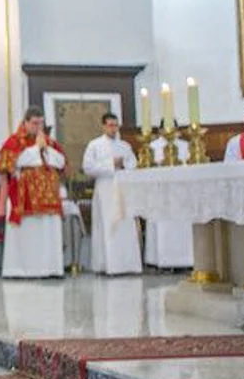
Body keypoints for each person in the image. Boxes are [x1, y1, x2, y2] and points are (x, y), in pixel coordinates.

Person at [0, 107, 67, 279]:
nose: (38, 127)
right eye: (34, 123)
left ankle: (50, 269)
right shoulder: (14, 141)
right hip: (23, 195)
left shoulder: (48, 142)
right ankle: (22, 270)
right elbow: (11, 163)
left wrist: (46, 150)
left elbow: (61, 162)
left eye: (41, 123)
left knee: (48, 232)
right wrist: (36, 149)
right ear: (26, 122)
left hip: (49, 196)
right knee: (27, 236)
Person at [82, 114, 142, 276]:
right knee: (107, 225)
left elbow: (133, 165)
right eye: (110, 125)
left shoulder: (125, 146)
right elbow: (88, 167)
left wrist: (123, 166)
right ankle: (107, 265)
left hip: (123, 189)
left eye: (115, 125)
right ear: (103, 126)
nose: (113, 128)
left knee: (125, 225)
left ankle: (128, 264)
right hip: (104, 189)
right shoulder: (95, 145)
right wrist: (111, 164)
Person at [145, 128, 195, 270]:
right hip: (160, 193)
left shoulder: (185, 145)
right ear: (161, 130)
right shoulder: (153, 146)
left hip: (182, 193)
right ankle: (161, 260)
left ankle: (186, 260)